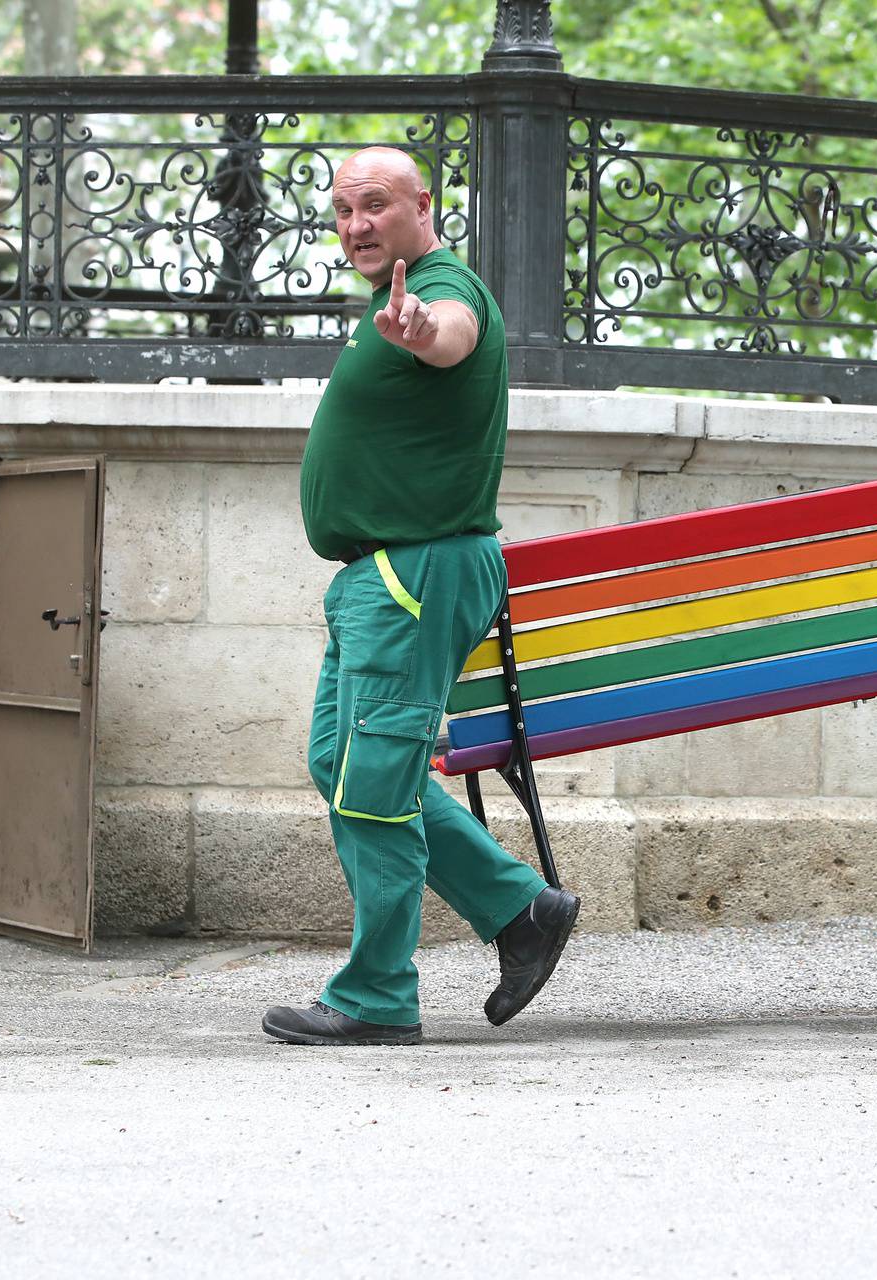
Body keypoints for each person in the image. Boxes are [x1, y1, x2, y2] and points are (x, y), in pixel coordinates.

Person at [263, 148, 579, 1046]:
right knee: (343, 761)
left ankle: (374, 996)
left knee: (374, 788)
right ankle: (520, 912)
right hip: (386, 578)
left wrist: (417, 330)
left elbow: (450, 334)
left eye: (373, 205)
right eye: (341, 210)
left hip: (414, 573)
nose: (355, 224)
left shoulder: (444, 288)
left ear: (421, 207)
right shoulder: (392, 296)